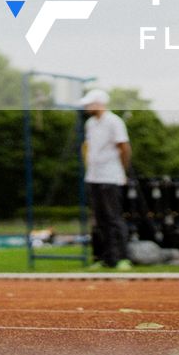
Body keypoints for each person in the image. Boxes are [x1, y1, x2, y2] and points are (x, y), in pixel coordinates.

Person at [80, 88, 132, 269]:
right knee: (100, 220)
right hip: (93, 177)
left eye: (89, 103)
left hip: (110, 176)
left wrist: (121, 171)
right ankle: (105, 258)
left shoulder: (114, 122)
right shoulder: (90, 124)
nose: (86, 107)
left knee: (114, 218)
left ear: (99, 103)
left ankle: (122, 258)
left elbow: (124, 147)